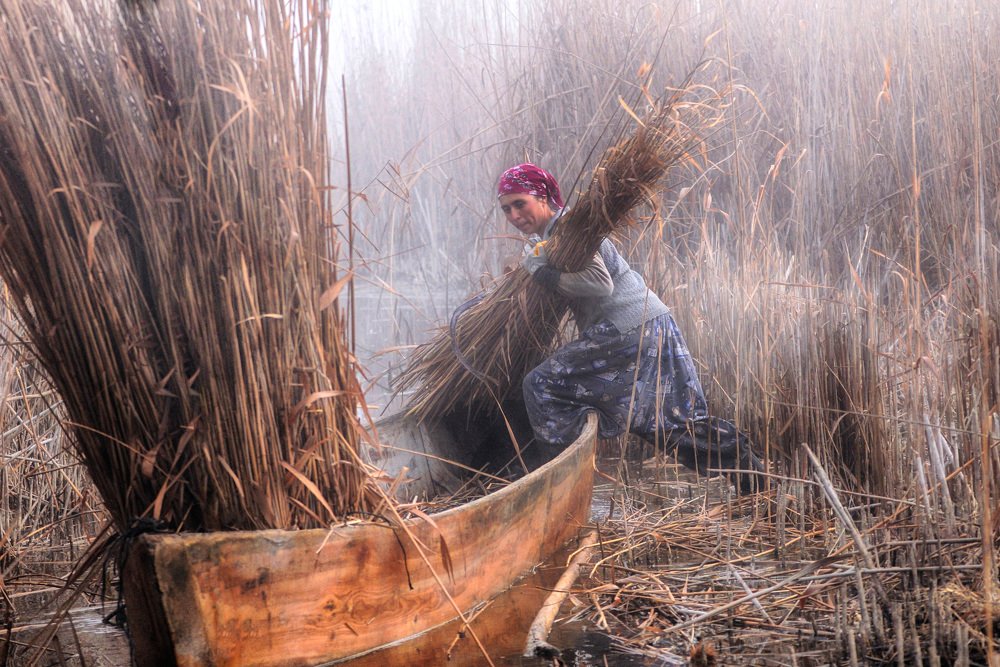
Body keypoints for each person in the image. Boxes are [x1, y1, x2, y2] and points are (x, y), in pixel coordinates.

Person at [497, 163, 763, 494]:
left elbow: (598, 284)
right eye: (506, 208)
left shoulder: (568, 229)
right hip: (651, 322)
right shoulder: (555, 235)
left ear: (545, 196)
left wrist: (542, 272)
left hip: (625, 326)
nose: (513, 214)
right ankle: (750, 472)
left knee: (541, 384)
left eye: (520, 203)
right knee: (665, 421)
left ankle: (560, 486)